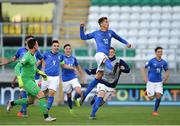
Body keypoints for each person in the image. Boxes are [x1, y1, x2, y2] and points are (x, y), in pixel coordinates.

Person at [80, 17, 131, 104]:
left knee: (98, 78)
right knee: (108, 63)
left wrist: (126, 43)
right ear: (101, 24)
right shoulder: (96, 33)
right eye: (106, 22)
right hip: (99, 54)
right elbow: (83, 37)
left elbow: (118, 38)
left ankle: (84, 96)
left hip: (105, 57)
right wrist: (81, 28)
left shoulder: (110, 33)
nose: (108, 23)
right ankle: (112, 67)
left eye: (108, 22)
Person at [6, 38, 56, 121]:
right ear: (34, 46)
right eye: (37, 44)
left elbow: (33, 68)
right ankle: (46, 117)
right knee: (41, 94)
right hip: (26, 81)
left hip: (31, 80)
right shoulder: (27, 56)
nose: (38, 45)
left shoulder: (33, 55)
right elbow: (17, 67)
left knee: (30, 101)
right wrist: (20, 79)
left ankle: (12, 103)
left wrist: (41, 73)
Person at [1, 35, 45, 117]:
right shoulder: (20, 51)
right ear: (26, 42)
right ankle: (23, 111)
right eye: (29, 40)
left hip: (34, 77)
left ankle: (16, 105)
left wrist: (42, 74)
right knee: (23, 93)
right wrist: (3, 64)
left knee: (31, 100)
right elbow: (14, 62)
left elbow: (42, 61)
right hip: (22, 76)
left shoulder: (36, 51)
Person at [85, 47, 130, 119]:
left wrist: (123, 69)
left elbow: (128, 69)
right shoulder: (105, 60)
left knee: (100, 103)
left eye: (112, 52)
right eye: (109, 52)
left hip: (112, 86)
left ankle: (96, 97)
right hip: (103, 82)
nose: (110, 53)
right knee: (101, 94)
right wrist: (90, 71)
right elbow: (98, 69)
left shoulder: (119, 61)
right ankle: (92, 115)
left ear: (114, 53)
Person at [41, 40, 75, 111]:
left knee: (52, 92)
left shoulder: (61, 56)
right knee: (43, 94)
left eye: (57, 46)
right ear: (52, 46)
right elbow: (39, 62)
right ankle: (43, 104)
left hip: (55, 77)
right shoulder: (46, 54)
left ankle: (47, 110)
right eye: (55, 46)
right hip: (45, 77)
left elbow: (63, 65)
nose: (56, 47)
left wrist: (72, 68)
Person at [141, 46, 169, 116]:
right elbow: (143, 68)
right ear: (156, 53)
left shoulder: (164, 62)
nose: (160, 53)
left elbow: (167, 71)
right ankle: (147, 92)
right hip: (150, 82)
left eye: (161, 52)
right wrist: (145, 78)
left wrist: (165, 79)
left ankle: (155, 111)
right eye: (159, 52)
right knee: (150, 98)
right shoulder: (151, 61)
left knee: (159, 96)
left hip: (159, 82)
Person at [61, 44, 85, 113]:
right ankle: (71, 108)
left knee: (79, 91)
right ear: (64, 50)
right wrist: (72, 68)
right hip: (65, 79)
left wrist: (82, 77)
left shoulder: (73, 58)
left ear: (71, 50)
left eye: (69, 49)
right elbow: (63, 66)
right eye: (66, 49)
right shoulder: (62, 57)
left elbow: (78, 67)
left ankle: (75, 98)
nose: (68, 50)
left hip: (73, 78)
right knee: (68, 94)